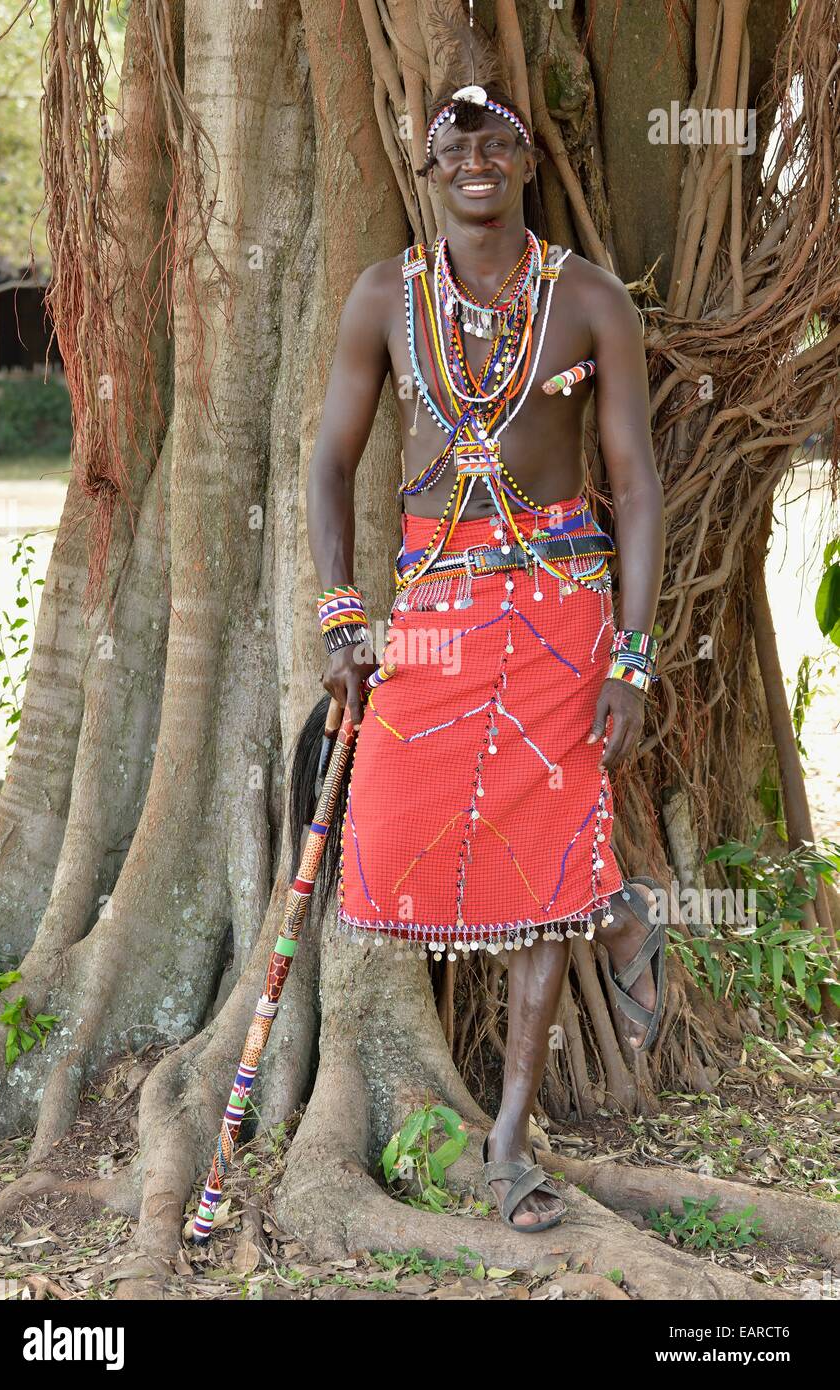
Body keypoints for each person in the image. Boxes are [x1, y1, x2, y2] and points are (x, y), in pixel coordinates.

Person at [305, 79, 666, 1232]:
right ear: (426, 165)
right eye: (453, 139)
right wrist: (341, 619)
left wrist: (636, 660)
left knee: (544, 864)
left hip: (563, 605)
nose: (475, 156)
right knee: (389, 829)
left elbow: (639, 486)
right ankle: (620, 913)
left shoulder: (591, 301)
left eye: (495, 138)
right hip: (434, 611)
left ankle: (511, 1145)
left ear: (524, 159)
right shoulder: (385, 299)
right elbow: (327, 465)